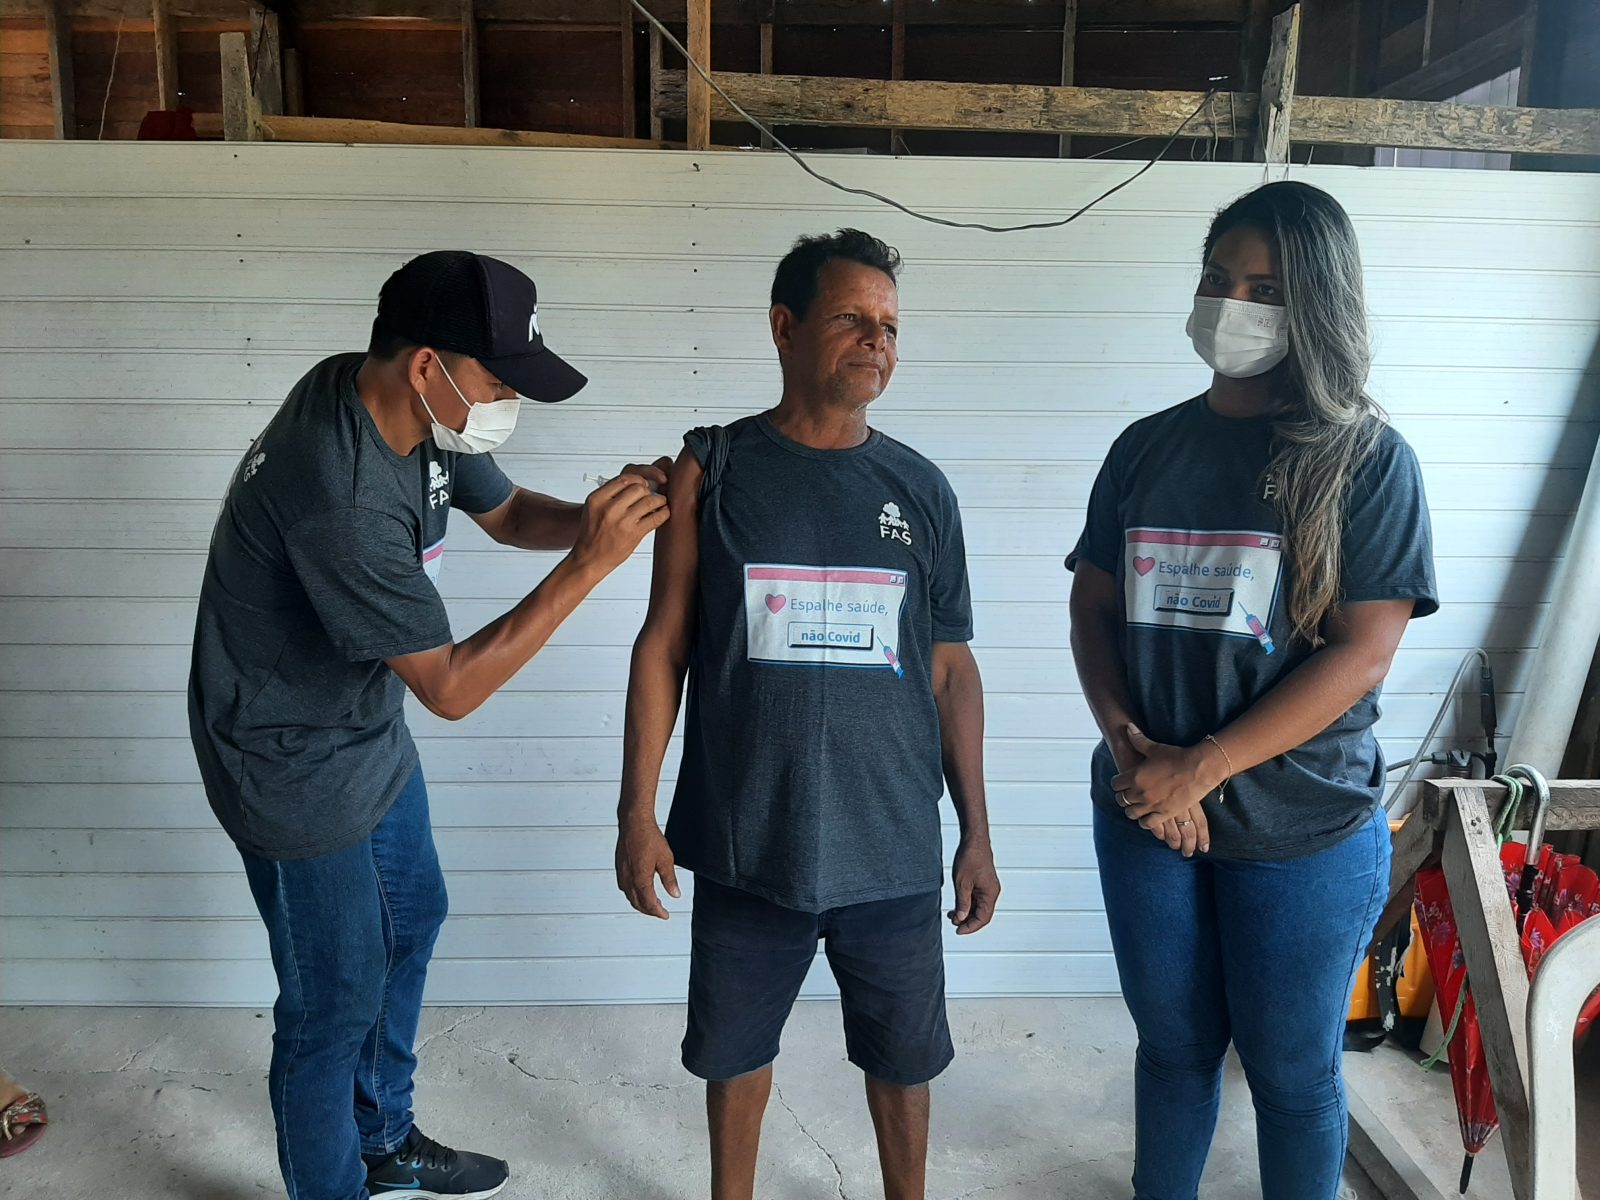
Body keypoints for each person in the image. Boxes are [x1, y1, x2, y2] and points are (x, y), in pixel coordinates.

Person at [188, 250, 671, 1200]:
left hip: (361, 724)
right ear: (427, 366)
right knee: (331, 1004)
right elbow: (450, 688)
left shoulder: (400, 400)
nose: (508, 401)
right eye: (500, 380)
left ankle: (383, 1140)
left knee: (413, 919)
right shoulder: (340, 492)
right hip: (287, 759)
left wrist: (601, 519)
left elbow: (509, 514)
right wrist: (591, 565)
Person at [1066, 181, 1438, 1200]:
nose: (1229, 304)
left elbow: (1362, 654)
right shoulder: (1145, 449)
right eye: (1217, 277)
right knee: (1173, 1050)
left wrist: (1203, 767)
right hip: (1145, 808)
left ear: (1316, 302)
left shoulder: (1367, 463)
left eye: (1264, 289)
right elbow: (1092, 610)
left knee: (1290, 1075)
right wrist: (1134, 750)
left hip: (1300, 825)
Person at [615, 229, 1001, 1200]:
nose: (876, 341)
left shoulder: (921, 491)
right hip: (749, 838)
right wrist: (636, 811)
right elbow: (664, 645)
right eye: (851, 319)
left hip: (891, 843)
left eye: (890, 327)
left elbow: (950, 669)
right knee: (734, 1055)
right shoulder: (714, 468)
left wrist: (976, 832)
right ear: (784, 328)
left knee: (904, 1061)